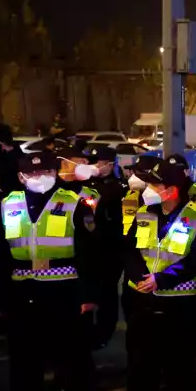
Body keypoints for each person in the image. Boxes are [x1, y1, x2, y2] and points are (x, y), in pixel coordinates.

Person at [0, 151, 99, 391]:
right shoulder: (7, 204)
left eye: (46, 173)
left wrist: (88, 294)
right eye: (32, 174)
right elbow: (0, 256)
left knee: (72, 358)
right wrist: (2, 300)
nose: (40, 179)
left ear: (55, 173)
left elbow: (90, 253)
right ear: (21, 177)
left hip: (64, 290)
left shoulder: (74, 203)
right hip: (22, 292)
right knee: (24, 364)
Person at [122, 160, 196, 391]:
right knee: (141, 364)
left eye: (154, 185)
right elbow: (129, 251)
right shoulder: (144, 214)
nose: (148, 189)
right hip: (144, 302)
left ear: (171, 190)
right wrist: (140, 276)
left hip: (181, 303)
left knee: (181, 363)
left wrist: (161, 279)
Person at [85, 145, 126, 348]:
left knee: (107, 291)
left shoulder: (118, 188)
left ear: (111, 165)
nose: (96, 166)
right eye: (93, 162)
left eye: (100, 163)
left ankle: (104, 330)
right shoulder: (86, 184)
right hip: (90, 246)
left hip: (110, 247)